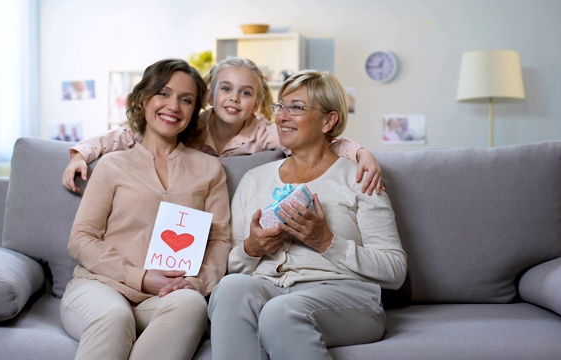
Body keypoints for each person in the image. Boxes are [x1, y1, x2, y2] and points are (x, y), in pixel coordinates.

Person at [207, 70, 407, 359]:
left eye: (297, 108)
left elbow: (395, 270)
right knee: (230, 288)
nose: (283, 116)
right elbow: (233, 264)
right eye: (281, 107)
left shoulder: (360, 178)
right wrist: (252, 249)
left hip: (345, 296)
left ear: (329, 120)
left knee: (279, 311)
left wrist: (326, 242)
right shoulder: (254, 179)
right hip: (270, 287)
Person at [59, 59, 231, 360]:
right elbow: (81, 238)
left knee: (192, 304)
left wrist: (197, 281)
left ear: (194, 112)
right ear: (143, 99)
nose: (174, 106)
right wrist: (138, 276)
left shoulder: (210, 169)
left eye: (186, 99)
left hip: (167, 296)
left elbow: (219, 240)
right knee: (114, 317)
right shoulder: (113, 164)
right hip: (102, 286)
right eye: (163, 93)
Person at [61, 57, 385, 196]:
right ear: (210, 94)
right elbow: (125, 135)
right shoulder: (189, 125)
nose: (234, 99)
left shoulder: (265, 132)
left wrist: (361, 153)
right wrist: (80, 153)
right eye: (226, 89)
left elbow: (315, 142)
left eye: (246, 93)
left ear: (257, 103)